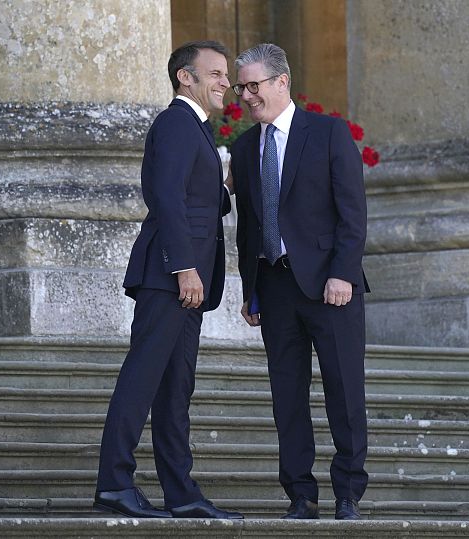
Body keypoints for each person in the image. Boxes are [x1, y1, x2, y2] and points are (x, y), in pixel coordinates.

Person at [94, 40, 242, 520]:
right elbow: (166, 198)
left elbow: (193, 197)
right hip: (171, 277)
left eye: (227, 74)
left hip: (185, 280)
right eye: (216, 73)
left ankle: (181, 492)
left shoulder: (194, 129)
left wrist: (224, 187)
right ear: (186, 76)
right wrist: (184, 267)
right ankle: (115, 484)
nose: (226, 82)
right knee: (141, 380)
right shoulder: (177, 122)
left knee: (175, 389)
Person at [229, 43, 369, 520]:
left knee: (344, 393)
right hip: (275, 288)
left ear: (282, 81)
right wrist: (250, 287)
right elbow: (248, 226)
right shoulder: (246, 147)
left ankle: (348, 493)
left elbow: (353, 213)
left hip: (332, 288)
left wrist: (343, 273)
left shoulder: (328, 133)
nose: (246, 96)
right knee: (287, 397)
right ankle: (300, 494)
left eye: (254, 85)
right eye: (240, 86)